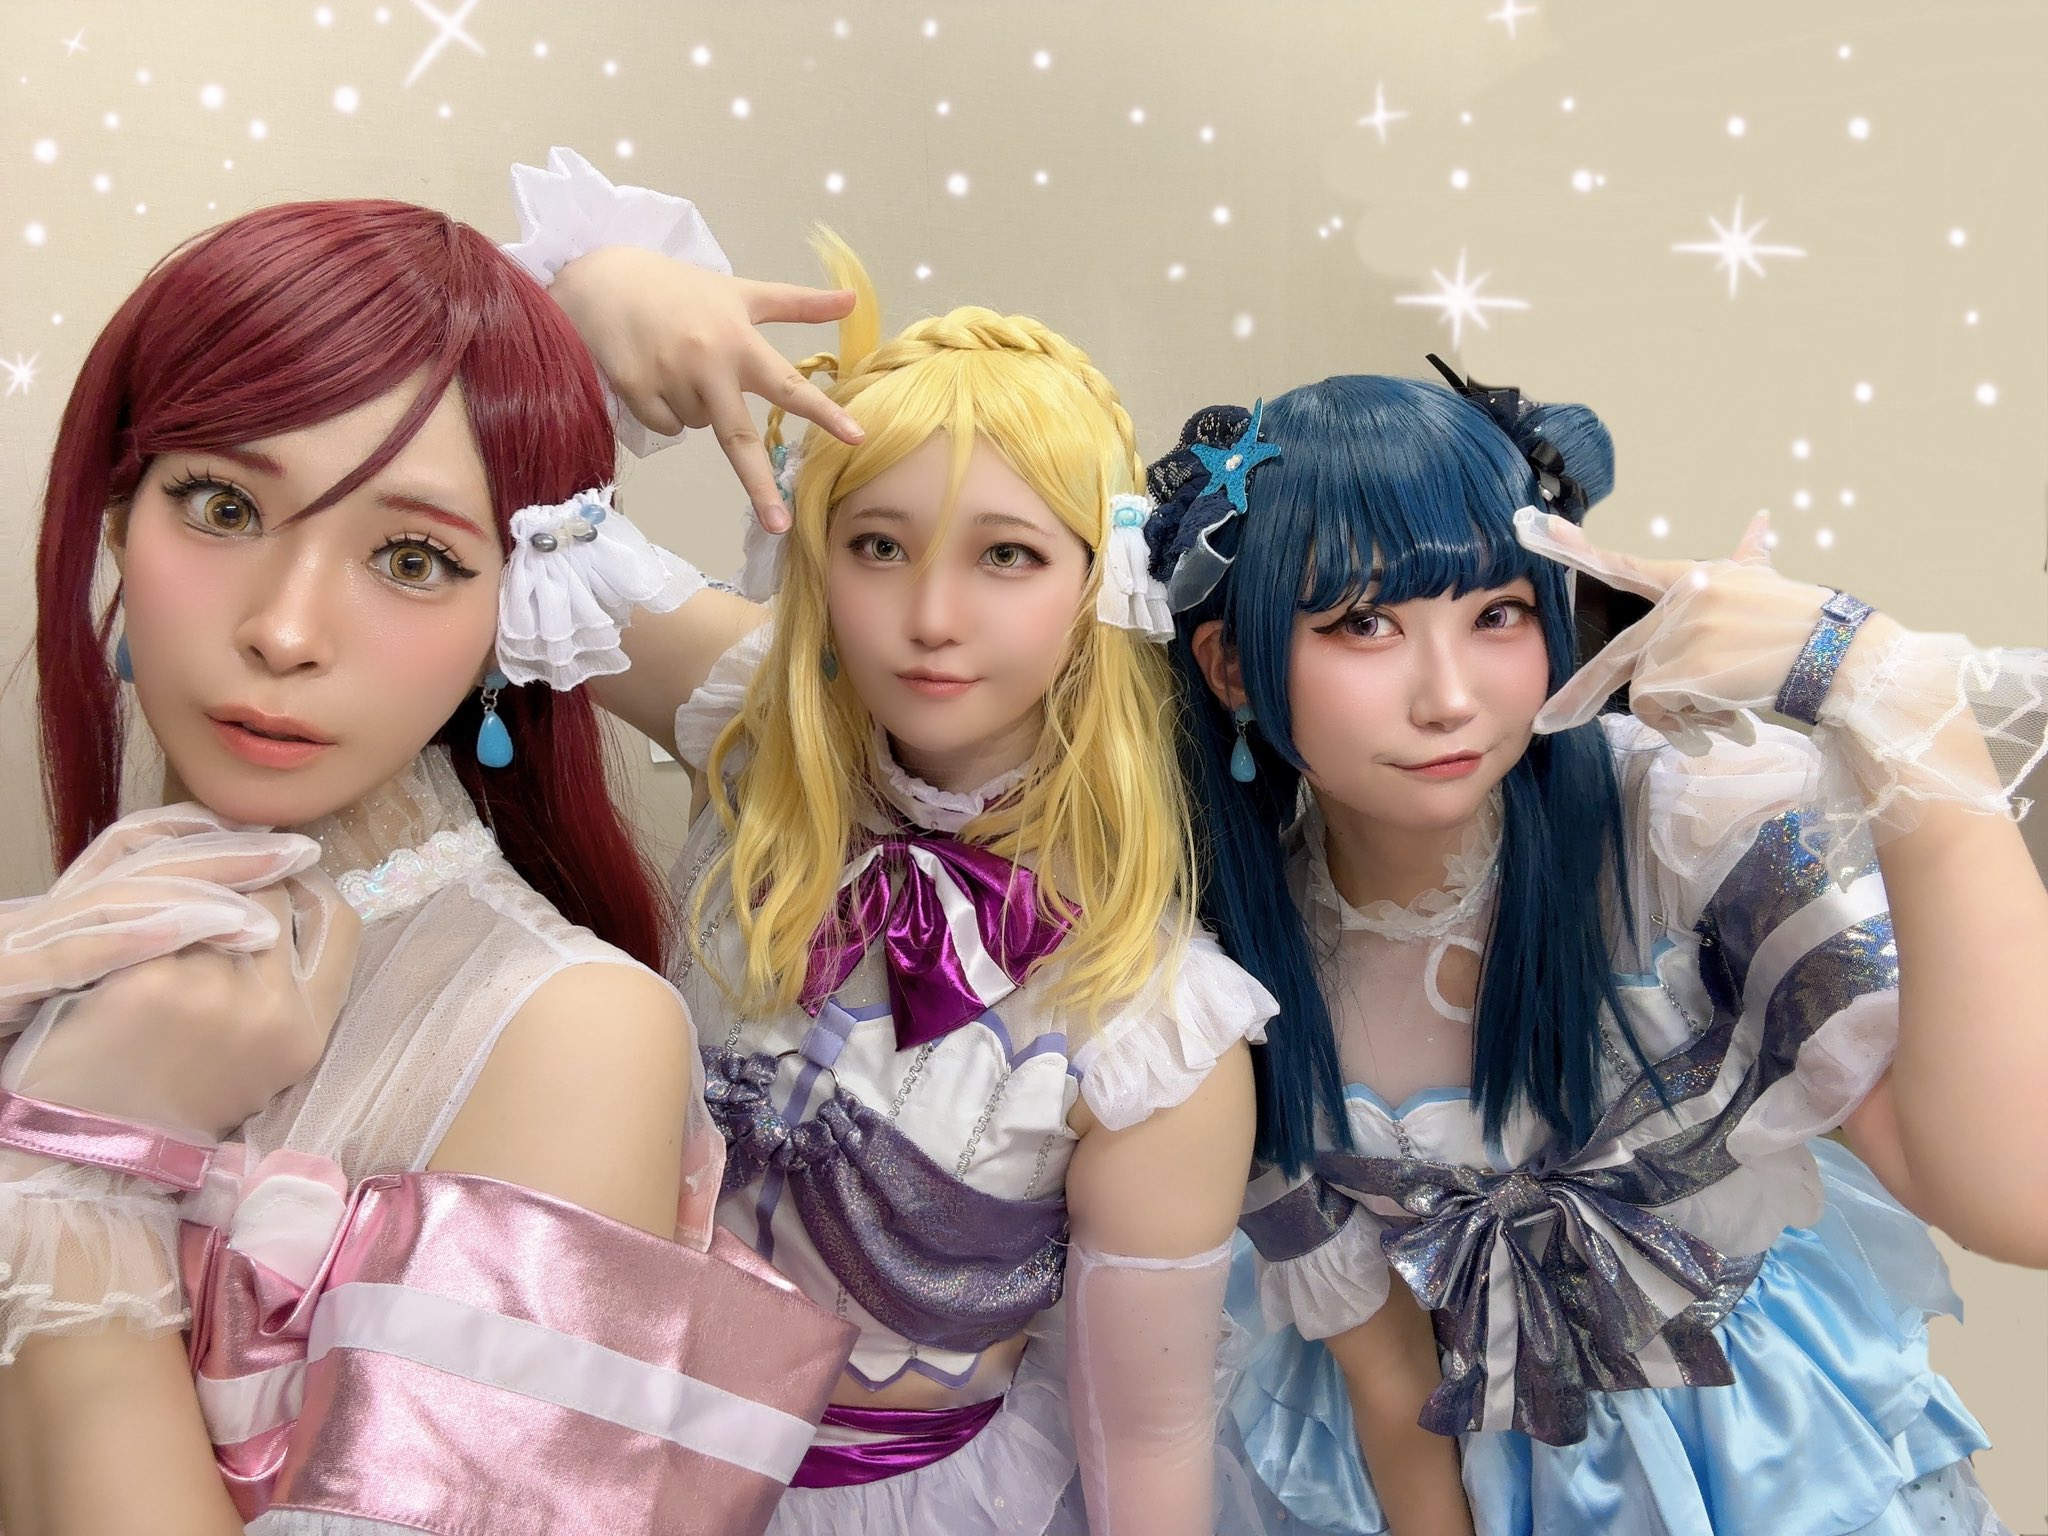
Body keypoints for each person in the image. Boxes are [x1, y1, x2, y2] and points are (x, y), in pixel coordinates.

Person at [0, 196, 854, 1536]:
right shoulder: (68, 944)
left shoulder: (567, 1035)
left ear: (514, 607)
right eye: (222, 504)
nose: (285, 630)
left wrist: (87, 1170)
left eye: (411, 557)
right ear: (117, 518)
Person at [504, 148, 1278, 1534]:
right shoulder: (755, 725)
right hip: (595, 1473)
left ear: (1100, 582)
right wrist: (594, 293)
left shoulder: (1161, 1034)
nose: (930, 615)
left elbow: (1151, 1448)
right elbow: (500, 522)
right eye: (877, 545)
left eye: (1007, 555)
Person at [1147, 366, 2047, 1534]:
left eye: (1496, 614)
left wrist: (1880, 691)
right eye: (1361, 624)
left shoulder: (1679, 826)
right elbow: (1383, 1372)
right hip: (1467, 1474)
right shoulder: (1233, 961)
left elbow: (2016, 1200)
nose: (1446, 696)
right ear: (1229, 664)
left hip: (1774, 1457)